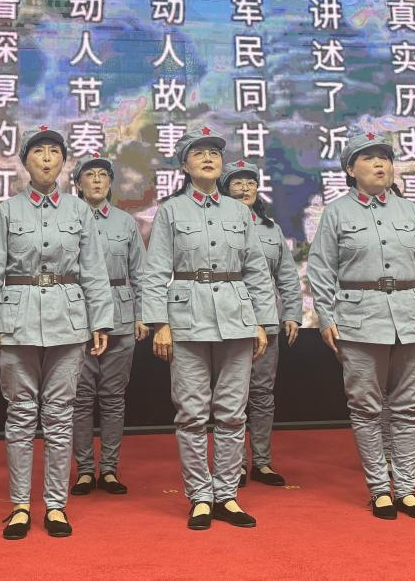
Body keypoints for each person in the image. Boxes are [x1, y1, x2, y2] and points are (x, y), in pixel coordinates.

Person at [0, 125, 114, 540]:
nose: (47, 158)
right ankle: (20, 505)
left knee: (59, 416)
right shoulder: (7, 211)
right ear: (25, 162)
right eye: (39, 152)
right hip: (16, 323)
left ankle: (55, 505)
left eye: (54, 151)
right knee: (20, 416)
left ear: (64, 162)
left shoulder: (79, 211)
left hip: (68, 323)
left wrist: (100, 321)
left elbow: (94, 271)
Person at [306, 132, 415, 520]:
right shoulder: (337, 213)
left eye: (384, 157)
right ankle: (380, 489)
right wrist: (327, 318)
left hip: (412, 318)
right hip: (359, 321)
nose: (379, 163)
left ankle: (407, 488)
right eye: (368, 158)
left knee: (410, 409)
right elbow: (321, 270)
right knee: (366, 408)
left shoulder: (410, 211)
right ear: (351, 170)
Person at [143, 127, 275, 532]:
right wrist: (160, 323)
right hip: (187, 320)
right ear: (184, 165)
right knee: (192, 414)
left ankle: (227, 495)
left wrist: (261, 322)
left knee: (233, 414)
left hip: (236, 319)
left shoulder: (239, 212)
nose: (208, 158)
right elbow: (154, 271)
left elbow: (256, 271)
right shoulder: (170, 211)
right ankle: (200, 496)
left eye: (214, 153)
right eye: (198, 153)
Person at [219, 158, 300, 489]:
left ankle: (262, 462)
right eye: (237, 183)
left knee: (263, 393)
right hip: (228, 320)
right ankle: (234, 463)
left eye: (250, 183)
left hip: (267, 321)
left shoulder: (271, 229)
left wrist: (292, 313)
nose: (244, 189)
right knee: (231, 395)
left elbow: (287, 276)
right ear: (225, 189)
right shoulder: (217, 225)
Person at [69, 155, 147, 497]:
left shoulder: (125, 222)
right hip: (79, 316)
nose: (98, 180)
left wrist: (142, 314)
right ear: (78, 183)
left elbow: (140, 272)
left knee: (114, 397)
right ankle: (86, 470)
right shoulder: (68, 218)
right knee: (81, 398)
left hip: (120, 315)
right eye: (90, 175)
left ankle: (110, 469)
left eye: (103, 175)